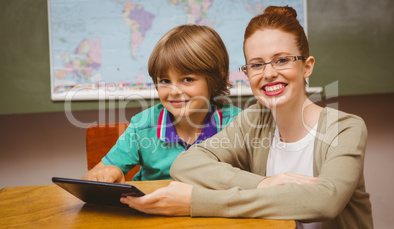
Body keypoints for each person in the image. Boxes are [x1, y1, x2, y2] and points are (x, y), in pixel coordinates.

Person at [119, 6, 373, 229]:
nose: (269, 73)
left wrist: (196, 202)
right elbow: (185, 164)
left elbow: (324, 202)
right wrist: (263, 184)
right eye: (257, 64)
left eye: (282, 60)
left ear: (307, 66)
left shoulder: (345, 128)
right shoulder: (253, 120)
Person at [82, 25, 242, 183]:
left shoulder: (237, 123)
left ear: (215, 80)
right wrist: (108, 172)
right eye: (165, 81)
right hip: (153, 208)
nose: (174, 91)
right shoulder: (142, 126)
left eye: (187, 79)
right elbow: (90, 178)